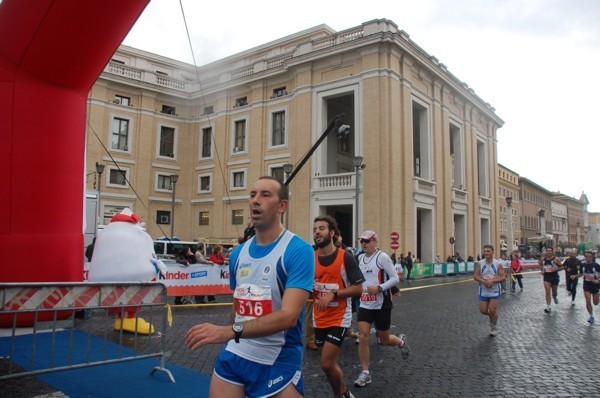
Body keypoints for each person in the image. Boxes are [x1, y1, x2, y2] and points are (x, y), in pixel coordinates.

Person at [185, 176, 315, 398]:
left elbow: (288, 317)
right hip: (236, 353)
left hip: (276, 358)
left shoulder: (298, 251)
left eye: (265, 195)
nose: (256, 200)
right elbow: (238, 307)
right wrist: (232, 334)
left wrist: (227, 332)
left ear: (282, 206)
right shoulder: (237, 254)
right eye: (253, 194)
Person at [312, 216, 364, 398]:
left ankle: (339, 395)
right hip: (318, 318)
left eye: (322, 228)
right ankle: (344, 393)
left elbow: (358, 288)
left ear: (332, 233)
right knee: (329, 364)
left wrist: (334, 294)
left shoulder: (346, 257)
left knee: (326, 363)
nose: (317, 232)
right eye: (315, 229)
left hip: (339, 317)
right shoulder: (311, 258)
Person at [354, 230, 410, 388]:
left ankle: (400, 342)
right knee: (363, 336)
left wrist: (379, 288)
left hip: (382, 303)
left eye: (367, 241)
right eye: (362, 242)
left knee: (383, 340)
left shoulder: (382, 257)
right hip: (365, 303)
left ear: (374, 242)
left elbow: (395, 278)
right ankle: (365, 373)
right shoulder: (359, 258)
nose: (364, 244)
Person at [473, 244, 505, 336]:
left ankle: (493, 326)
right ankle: (494, 316)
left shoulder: (498, 264)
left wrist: (492, 281)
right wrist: (483, 281)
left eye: (488, 251)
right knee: (483, 311)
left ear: (492, 252)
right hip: (484, 289)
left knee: (492, 309)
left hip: (494, 289)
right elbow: (475, 276)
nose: (486, 253)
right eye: (485, 251)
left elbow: (503, 277)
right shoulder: (480, 263)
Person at [575, 251, 600, 324]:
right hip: (586, 285)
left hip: (596, 286)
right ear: (584, 257)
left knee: (595, 303)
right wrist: (575, 276)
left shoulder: (596, 266)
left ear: (592, 257)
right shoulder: (583, 265)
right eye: (586, 256)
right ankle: (591, 316)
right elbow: (581, 274)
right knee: (588, 300)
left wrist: (597, 281)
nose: (588, 258)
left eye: (589, 256)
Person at [539, 247, 563, 313]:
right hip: (547, 277)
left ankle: (555, 297)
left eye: (550, 251)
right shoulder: (543, 259)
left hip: (554, 277)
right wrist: (542, 270)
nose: (549, 252)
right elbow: (540, 265)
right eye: (547, 251)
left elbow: (562, 267)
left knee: (554, 292)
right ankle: (548, 307)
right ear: (546, 252)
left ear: (552, 252)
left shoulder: (556, 259)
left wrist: (555, 269)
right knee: (547, 291)